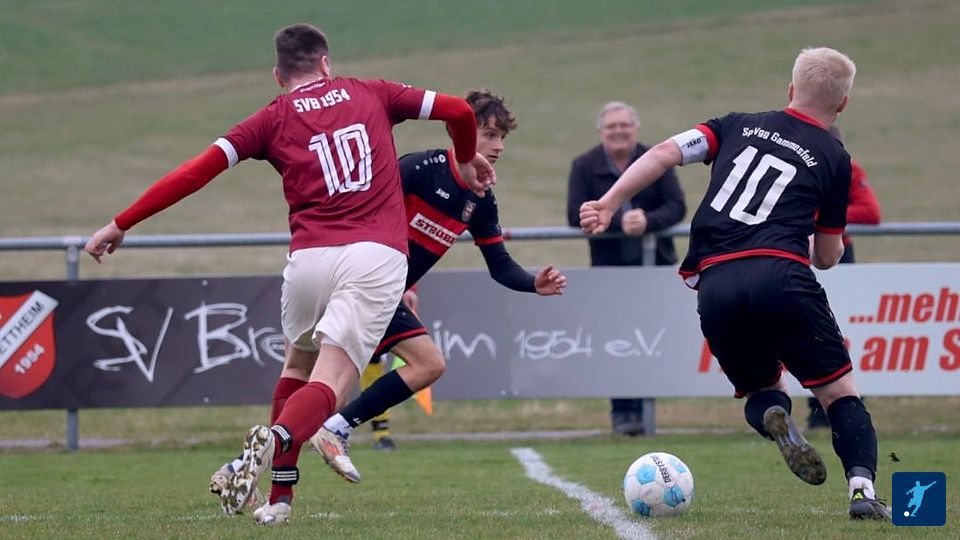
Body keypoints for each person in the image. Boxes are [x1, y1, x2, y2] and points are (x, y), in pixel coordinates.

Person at [85, 23, 495, 525]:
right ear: (326, 63)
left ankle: (280, 499)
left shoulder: (269, 118)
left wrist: (120, 223)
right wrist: (466, 156)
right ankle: (276, 438)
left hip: (308, 264)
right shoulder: (372, 92)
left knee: (297, 368)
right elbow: (458, 111)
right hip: (373, 256)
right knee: (333, 383)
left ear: (278, 76)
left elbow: (195, 172)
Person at [580, 47, 890, 520]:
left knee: (762, 388)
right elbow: (828, 257)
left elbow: (663, 153)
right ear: (843, 104)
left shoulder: (735, 125)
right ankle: (862, 491)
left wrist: (608, 202)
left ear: (791, 89)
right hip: (782, 276)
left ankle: (774, 414)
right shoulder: (835, 156)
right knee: (839, 393)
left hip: (716, 282)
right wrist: (813, 239)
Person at [311, 89, 568, 483]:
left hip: (384, 296)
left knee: (411, 368)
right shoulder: (420, 169)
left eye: (502, 137)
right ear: (458, 131)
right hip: (357, 286)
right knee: (328, 383)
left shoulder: (480, 199)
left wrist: (535, 283)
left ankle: (309, 440)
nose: (498, 146)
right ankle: (312, 440)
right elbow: (361, 214)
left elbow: (500, 266)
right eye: (489, 134)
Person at [566, 101, 686, 436]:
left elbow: (677, 206)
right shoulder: (584, 165)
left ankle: (648, 411)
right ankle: (622, 414)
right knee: (616, 340)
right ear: (601, 131)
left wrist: (648, 221)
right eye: (611, 126)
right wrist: (619, 220)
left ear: (635, 128)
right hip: (610, 270)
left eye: (624, 125)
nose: (618, 131)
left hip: (656, 267)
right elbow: (573, 213)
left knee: (654, 338)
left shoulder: (657, 159)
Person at [806, 123, 881, 429]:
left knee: (837, 329)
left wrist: (826, 220)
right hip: (795, 257)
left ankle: (841, 404)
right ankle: (819, 405)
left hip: (836, 256)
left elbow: (871, 213)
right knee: (809, 330)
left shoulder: (848, 170)